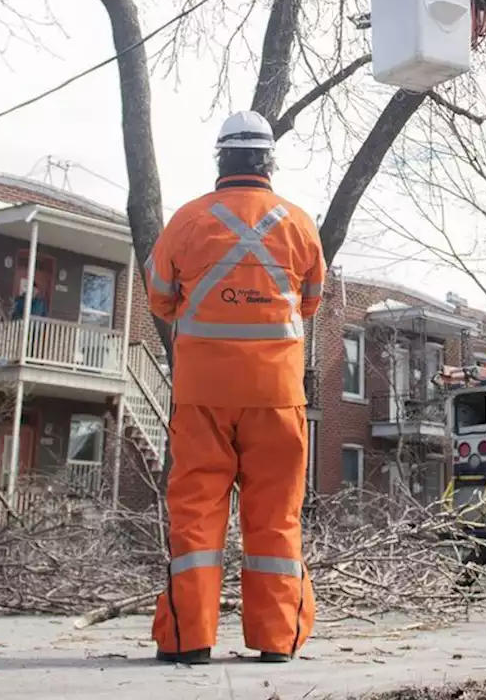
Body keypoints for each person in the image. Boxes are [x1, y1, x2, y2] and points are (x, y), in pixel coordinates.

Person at [145, 110, 326, 665]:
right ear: (269, 161)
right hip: (277, 395)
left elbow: (159, 299)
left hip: (203, 395)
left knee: (196, 514)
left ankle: (188, 640)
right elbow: (312, 300)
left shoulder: (186, 221)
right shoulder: (298, 224)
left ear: (220, 160)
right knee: (276, 516)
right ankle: (277, 640)